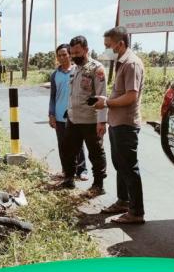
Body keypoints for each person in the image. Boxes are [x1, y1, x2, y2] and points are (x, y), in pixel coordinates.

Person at [94, 26, 146, 224]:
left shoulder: (131, 64)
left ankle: (136, 211)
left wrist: (106, 102)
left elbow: (131, 97)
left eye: (109, 46)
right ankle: (123, 201)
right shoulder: (121, 62)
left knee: (129, 167)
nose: (107, 49)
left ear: (120, 44)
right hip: (117, 122)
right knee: (120, 165)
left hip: (126, 123)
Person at [59, 35, 107, 197]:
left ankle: (98, 185)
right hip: (74, 118)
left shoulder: (96, 69)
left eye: (77, 53)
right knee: (68, 150)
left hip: (90, 120)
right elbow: (74, 94)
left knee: (96, 153)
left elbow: (102, 96)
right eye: (72, 53)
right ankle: (69, 179)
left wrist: (102, 121)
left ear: (86, 50)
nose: (74, 56)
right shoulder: (75, 68)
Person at [48, 43, 88, 180]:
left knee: (78, 144)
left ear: (70, 55)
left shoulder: (78, 71)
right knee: (63, 145)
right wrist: (51, 114)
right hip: (59, 116)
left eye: (65, 54)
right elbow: (52, 96)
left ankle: (82, 170)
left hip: (76, 115)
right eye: (59, 55)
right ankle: (66, 170)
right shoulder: (55, 75)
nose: (62, 57)